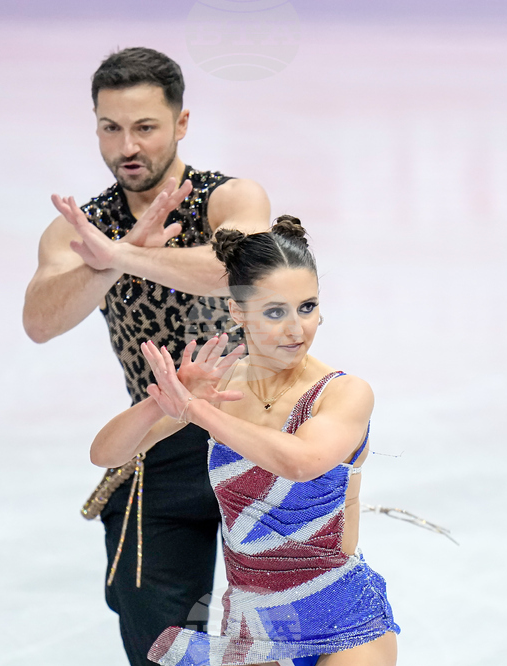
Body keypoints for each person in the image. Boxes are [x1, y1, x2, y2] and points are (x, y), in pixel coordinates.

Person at [22, 47, 270, 666]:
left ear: (181, 124)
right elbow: (40, 320)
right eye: (111, 128)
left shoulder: (227, 199)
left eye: (145, 127)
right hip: (159, 438)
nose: (126, 145)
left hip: (255, 438)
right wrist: (114, 249)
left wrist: (121, 257)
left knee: (277, 635)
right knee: (159, 639)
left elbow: (236, 270)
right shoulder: (81, 227)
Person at [90, 217, 400, 666]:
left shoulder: (343, 392)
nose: (297, 329)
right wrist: (166, 402)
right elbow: (106, 453)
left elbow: (301, 461)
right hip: (253, 628)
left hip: (342, 620)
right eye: (275, 312)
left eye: (307, 307)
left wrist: (198, 411)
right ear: (238, 311)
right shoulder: (221, 392)